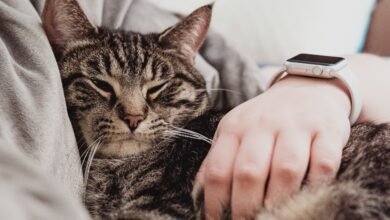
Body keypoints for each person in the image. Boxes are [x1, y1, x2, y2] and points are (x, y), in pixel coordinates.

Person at [0, 0, 388, 219]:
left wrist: (318, 87)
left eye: (160, 90)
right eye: (102, 87)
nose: (133, 115)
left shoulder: (204, 133)